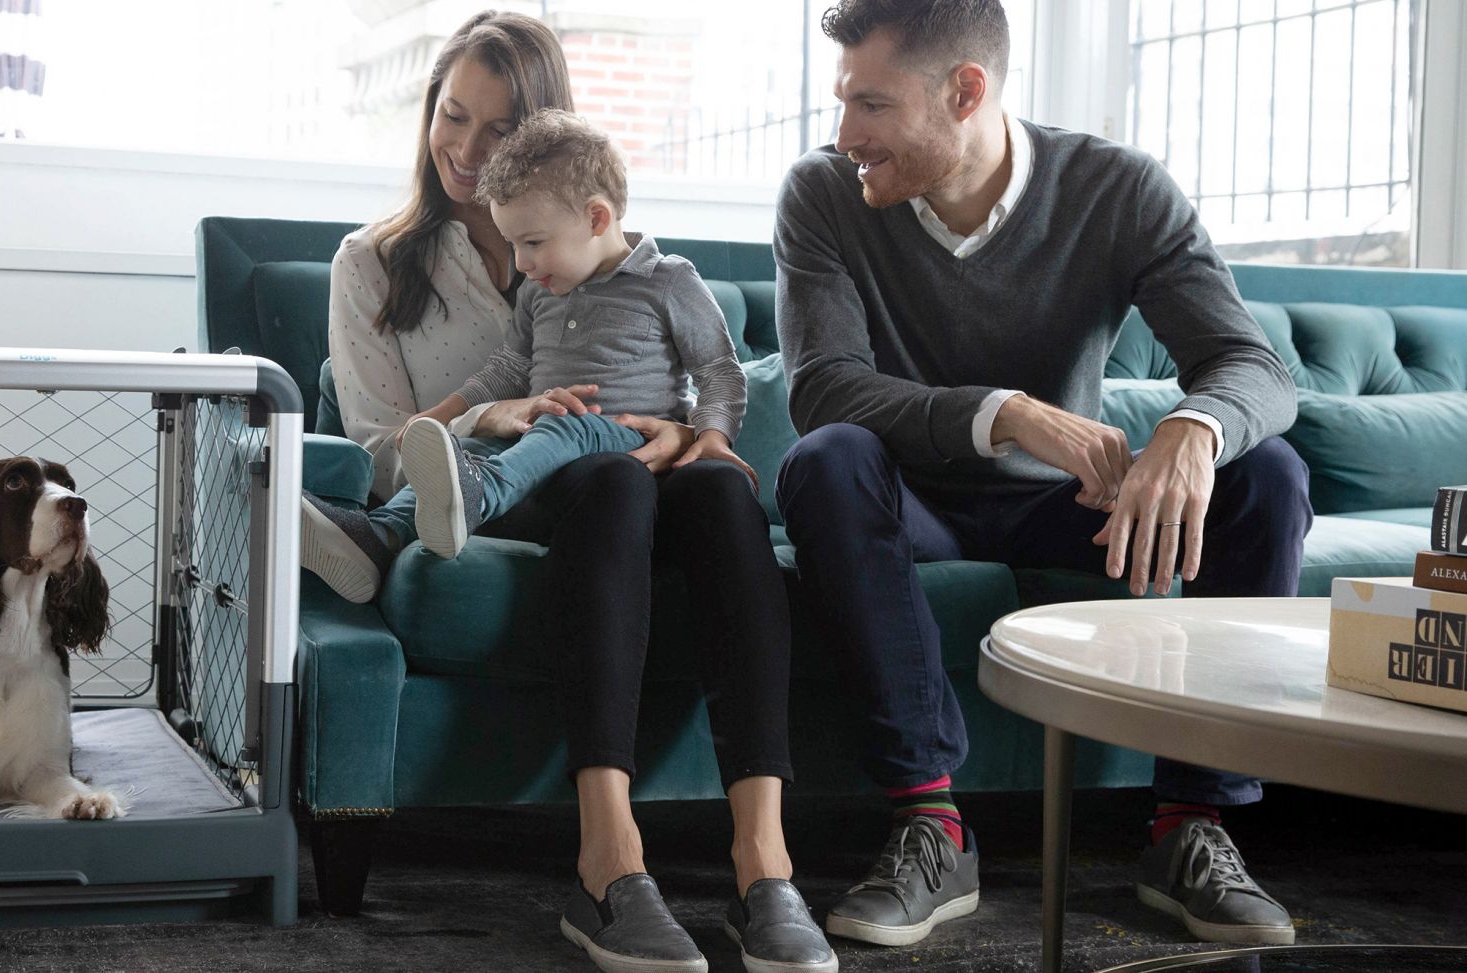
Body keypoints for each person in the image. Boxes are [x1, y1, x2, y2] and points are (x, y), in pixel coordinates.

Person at [772, 0, 1310, 950]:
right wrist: (1005, 412)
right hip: (907, 499)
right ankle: (929, 826)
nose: (844, 133)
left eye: (871, 104)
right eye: (843, 102)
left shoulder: (1118, 188)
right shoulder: (823, 195)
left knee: (1266, 475)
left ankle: (1193, 827)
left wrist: (1192, 427)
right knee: (828, 459)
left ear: (965, 91)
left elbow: (1254, 367)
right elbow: (825, 388)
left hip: (1074, 509)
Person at [303, 12, 834, 972]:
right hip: (537, 481)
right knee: (607, 485)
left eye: (498, 130)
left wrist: (692, 434)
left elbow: (713, 366)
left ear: (546, 142)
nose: (465, 150)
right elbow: (388, 438)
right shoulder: (373, 265)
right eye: (451, 115)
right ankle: (608, 860)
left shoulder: (606, 252)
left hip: (647, 463)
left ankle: (766, 865)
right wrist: (486, 420)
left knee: (718, 495)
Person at [313, 108, 753, 567]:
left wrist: (713, 436)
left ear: (596, 219)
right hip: (550, 444)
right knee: (475, 449)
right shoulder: (542, 291)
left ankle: (479, 498)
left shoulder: (668, 281)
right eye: (513, 244)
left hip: (631, 446)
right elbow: (509, 367)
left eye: (534, 242)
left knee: (567, 423)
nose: (521, 262)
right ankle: (379, 535)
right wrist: (442, 415)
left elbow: (719, 369)